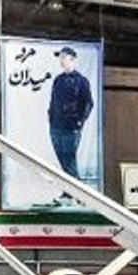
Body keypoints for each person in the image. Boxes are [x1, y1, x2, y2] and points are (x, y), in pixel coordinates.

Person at [48, 46, 93, 180]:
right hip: (56, 127)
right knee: (63, 160)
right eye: (60, 57)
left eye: (64, 57)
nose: (61, 60)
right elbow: (53, 101)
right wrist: (50, 118)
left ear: (73, 60)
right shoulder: (58, 80)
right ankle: (70, 189)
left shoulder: (81, 81)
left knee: (69, 160)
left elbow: (88, 103)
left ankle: (76, 189)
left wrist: (79, 122)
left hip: (71, 128)